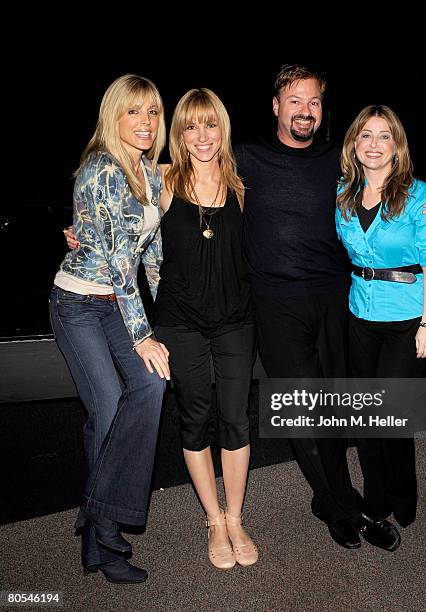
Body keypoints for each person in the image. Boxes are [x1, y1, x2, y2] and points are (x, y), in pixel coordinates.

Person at [235, 65, 426, 552]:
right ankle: (341, 506)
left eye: (313, 102)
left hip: (337, 301)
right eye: (295, 101)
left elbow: (393, 183)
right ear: (276, 106)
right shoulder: (245, 156)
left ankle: (330, 495)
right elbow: (183, 169)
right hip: (275, 304)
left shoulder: (340, 162)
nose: (305, 111)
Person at [49, 74, 170, 584]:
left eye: (152, 113)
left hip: (119, 307)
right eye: (133, 112)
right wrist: (143, 334)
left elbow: (153, 254)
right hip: (78, 303)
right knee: (107, 403)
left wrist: (164, 320)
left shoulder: (149, 172)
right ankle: (102, 531)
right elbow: (122, 265)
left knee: (151, 384)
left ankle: (98, 515)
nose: (144, 123)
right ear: (113, 116)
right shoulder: (102, 170)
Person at [153, 88, 258, 569]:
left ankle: (236, 517)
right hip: (181, 323)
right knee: (195, 418)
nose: (201, 135)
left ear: (223, 128)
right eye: (191, 126)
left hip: (236, 319)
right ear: (178, 133)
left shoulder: (243, 183)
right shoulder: (159, 181)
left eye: (209, 124)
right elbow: (106, 212)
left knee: (236, 419)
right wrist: (78, 232)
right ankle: (213, 520)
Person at [336, 105, 426, 544]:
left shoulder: (420, 197)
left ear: (397, 147)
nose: (375, 144)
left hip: (406, 320)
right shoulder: (342, 193)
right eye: (366, 135)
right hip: (360, 315)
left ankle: (404, 497)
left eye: (385, 136)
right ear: (354, 145)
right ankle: (376, 500)